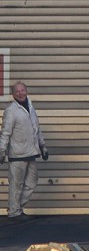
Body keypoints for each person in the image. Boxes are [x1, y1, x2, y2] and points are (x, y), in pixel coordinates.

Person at [0, 81, 48, 219]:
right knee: (16, 185)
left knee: (32, 183)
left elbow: (36, 129)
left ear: (26, 91)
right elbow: (5, 133)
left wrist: (43, 147)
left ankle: (17, 208)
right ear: (13, 94)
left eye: (22, 90)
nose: (20, 93)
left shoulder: (31, 108)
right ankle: (14, 213)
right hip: (17, 154)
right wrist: (2, 151)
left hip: (31, 152)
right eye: (17, 91)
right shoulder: (11, 111)